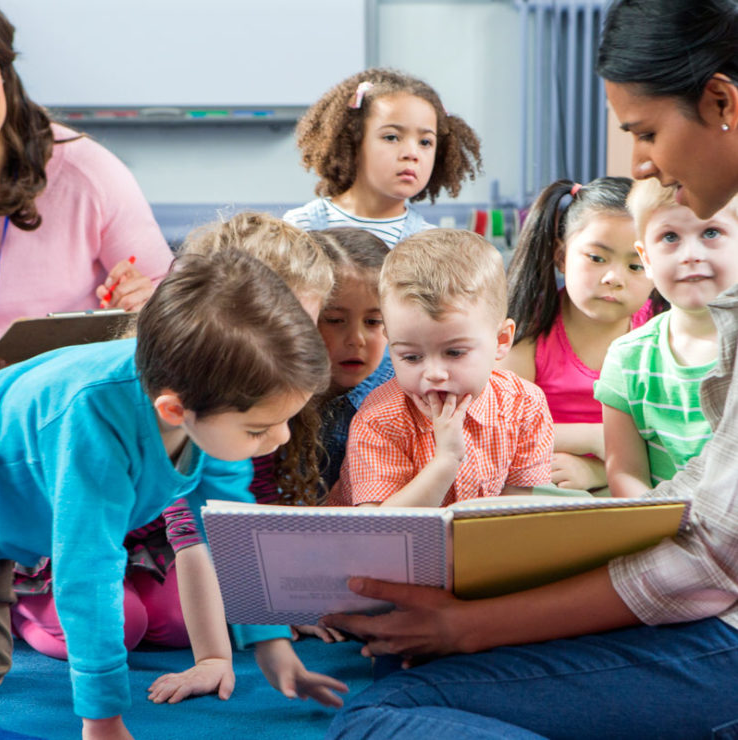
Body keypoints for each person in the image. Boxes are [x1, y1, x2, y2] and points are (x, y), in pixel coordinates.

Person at [313, 1, 738, 736]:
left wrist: (474, 626)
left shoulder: (529, 393)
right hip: (705, 608)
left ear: (722, 102)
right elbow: (701, 506)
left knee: (383, 713)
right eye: (412, 354)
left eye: (643, 132)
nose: (639, 163)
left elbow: (707, 561)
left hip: (720, 630)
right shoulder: (384, 415)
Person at [0, 249, 347, 740]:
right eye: (260, 428)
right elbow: (88, 573)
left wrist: (270, 642)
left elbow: (230, 530)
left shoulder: (203, 400)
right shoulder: (93, 425)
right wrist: (102, 721)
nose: (283, 438)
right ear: (174, 410)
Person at [330, 228, 554, 508]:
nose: (434, 373)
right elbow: (383, 532)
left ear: (501, 340)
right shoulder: (379, 419)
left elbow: (515, 515)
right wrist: (446, 461)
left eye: (454, 353)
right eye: (411, 357)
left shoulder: (525, 405)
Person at [0, 10, 172, 340]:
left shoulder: (86, 172)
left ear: (4, 72)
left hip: (52, 384)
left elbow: (166, 300)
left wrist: (141, 300)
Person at [500, 177, 656, 493]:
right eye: (597, 258)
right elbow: (498, 428)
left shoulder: (660, 333)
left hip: (633, 486)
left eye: (636, 265)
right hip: (541, 486)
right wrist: (596, 438)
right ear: (561, 256)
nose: (614, 278)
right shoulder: (529, 330)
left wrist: (603, 464)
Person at [596, 179, 738, 498]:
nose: (690, 255)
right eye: (670, 237)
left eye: (711, 233)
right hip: (665, 528)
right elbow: (625, 472)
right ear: (646, 259)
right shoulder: (627, 358)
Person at [283, 68, 482, 247]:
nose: (411, 154)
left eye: (425, 142)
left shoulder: (431, 245)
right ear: (352, 142)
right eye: (392, 137)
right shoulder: (301, 227)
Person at [311, 228, 393, 493]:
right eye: (335, 320)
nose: (356, 339)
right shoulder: (272, 388)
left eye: (374, 322)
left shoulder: (400, 394)